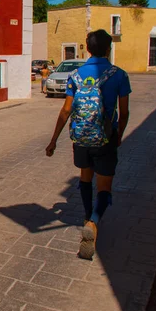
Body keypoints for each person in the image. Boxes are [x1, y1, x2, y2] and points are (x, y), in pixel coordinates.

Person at [45, 29, 131, 260]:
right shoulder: (119, 75)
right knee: (104, 186)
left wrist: (53, 141)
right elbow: (124, 113)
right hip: (105, 137)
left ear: (88, 48)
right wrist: (119, 134)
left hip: (81, 137)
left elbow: (66, 110)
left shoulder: (75, 75)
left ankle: (86, 216)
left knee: (85, 177)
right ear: (108, 48)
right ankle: (93, 222)